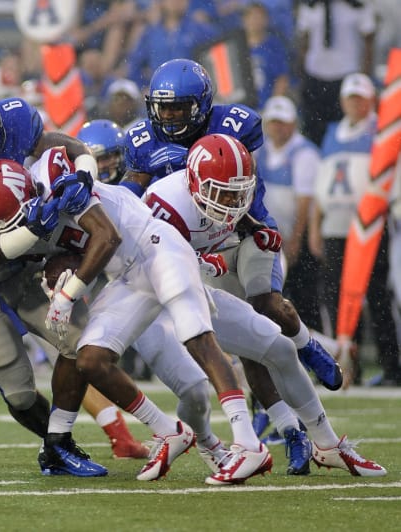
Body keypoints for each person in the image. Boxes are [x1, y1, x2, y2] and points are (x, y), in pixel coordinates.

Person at [0, 76, 164, 476]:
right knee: (18, 389)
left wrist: (84, 177)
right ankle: (57, 449)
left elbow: (73, 148)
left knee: (81, 344)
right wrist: (31, 231)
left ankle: (61, 443)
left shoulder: (14, 119)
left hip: (30, 262)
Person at [0, 146, 276, 485]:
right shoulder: (29, 209)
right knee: (89, 358)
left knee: (197, 337)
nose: (19, 230)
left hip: (156, 248)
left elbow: (106, 236)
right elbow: (73, 244)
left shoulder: (54, 179)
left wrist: (68, 295)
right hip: (127, 277)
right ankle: (168, 430)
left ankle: (249, 444)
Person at [143, 133, 385, 477]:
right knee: (192, 389)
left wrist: (252, 227)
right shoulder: (164, 202)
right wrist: (199, 260)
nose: (230, 201)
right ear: (195, 182)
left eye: (236, 192)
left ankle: (327, 445)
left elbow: (229, 216)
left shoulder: (222, 191)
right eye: (222, 192)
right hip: (147, 301)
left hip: (191, 290)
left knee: (280, 350)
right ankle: (223, 444)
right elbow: (151, 262)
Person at [120, 58, 343, 392]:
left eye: (178, 109)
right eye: (163, 109)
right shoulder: (143, 140)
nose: (168, 117)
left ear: (201, 105)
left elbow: (244, 185)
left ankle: (306, 344)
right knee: (248, 340)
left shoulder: (234, 125)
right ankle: (272, 417)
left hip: (245, 227)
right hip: (202, 243)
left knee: (266, 302)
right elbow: (129, 198)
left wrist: (253, 223)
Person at [309, 73, 401, 387]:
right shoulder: (334, 132)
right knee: (336, 298)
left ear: (371, 100)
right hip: (335, 224)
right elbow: (321, 185)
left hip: (369, 225)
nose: (354, 104)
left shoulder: (381, 131)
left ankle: (391, 368)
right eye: (350, 98)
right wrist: (315, 226)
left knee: (375, 296)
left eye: (360, 98)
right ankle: (346, 368)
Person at [256, 95, 322, 333]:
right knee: (279, 297)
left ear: (293, 123)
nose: (277, 127)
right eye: (273, 122)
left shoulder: (304, 153)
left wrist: (295, 239)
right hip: (273, 238)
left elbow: (305, 201)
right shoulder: (262, 150)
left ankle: (316, 348)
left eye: (282, 122)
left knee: (304, 298)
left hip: (296, 237)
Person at [296, 0, 376, 146]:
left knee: (345, 128)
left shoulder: (358, 5)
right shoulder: (310, 5)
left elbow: (369, 43)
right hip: (315, 76)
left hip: (346, 76)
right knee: (313, 131)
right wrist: (303, 76)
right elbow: (304, 41)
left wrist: (364, 76)